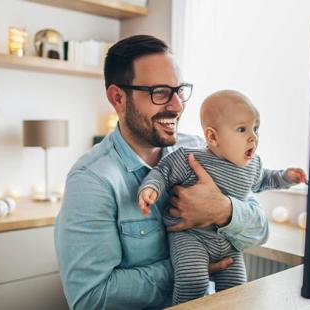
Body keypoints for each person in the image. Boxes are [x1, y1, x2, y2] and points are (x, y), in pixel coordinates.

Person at [54, 35, 271, 309]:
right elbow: (91, 298)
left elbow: (260, 230)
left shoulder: (201, 151)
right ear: (118, 98)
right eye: (159, 92)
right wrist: (189, 268)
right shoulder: (91, 181)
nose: (177, 106)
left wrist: (224, 210)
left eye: (179, 90)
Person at [138, 90, 307, 304]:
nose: (253, 137)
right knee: (193, 282)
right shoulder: (190, 157)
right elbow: (163, 172)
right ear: (213, 137)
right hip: (192, 237)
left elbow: (265, 180)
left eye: (256, 128)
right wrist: (150, 188)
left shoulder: (252, 165)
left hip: (228, 240)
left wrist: (286, 177)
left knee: (237, 288)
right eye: (242, 129)